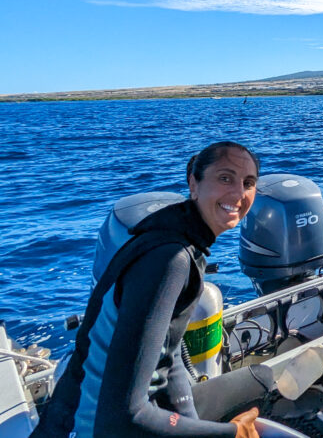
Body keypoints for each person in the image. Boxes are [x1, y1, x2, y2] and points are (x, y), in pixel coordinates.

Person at [34, 141, 263, 438]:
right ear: (193, 183)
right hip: (86, 429)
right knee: (263, 386)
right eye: (225, 178)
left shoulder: (177, 238)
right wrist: (232, 435)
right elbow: (123, 417)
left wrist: (190, 419)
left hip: (97, 415)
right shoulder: (169, 261)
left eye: (248, 183)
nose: (238, 193)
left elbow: (170, 358)